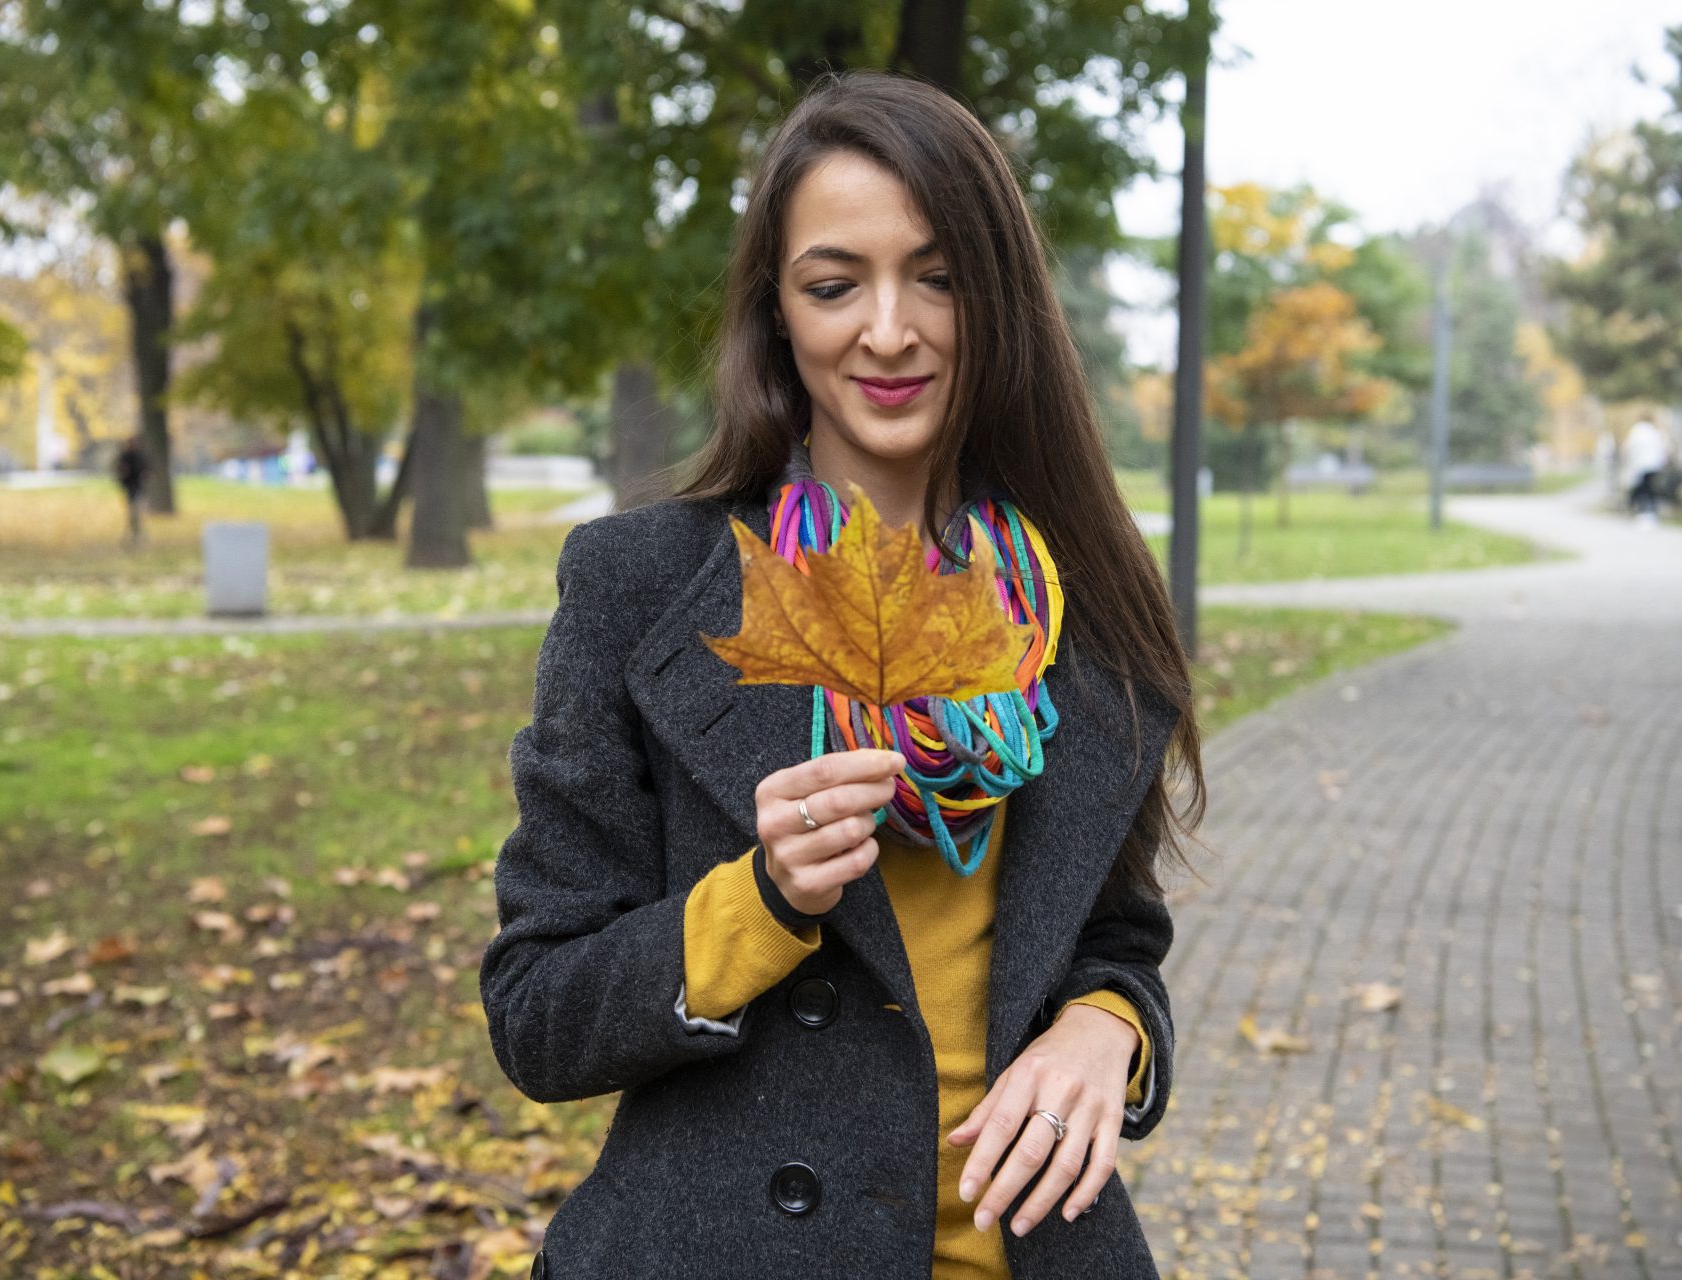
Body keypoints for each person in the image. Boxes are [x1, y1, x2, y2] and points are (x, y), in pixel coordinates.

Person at [480, 70, 1205, 1280]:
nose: (887, 329)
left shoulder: (1079, 606)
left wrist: (1103, 1032)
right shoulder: (639, 587)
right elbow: (537, 1013)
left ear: (1001, 298)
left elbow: (1116, 942)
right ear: (778, 309)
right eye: (833, 284)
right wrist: (757, 899)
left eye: (938, 275)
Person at [1621, 416, 1668, 523]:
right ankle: (1649, 511)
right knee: (1649, 488)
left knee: (1642, 489)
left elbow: (1630, 447)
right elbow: (1661, 447)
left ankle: (1642, 511)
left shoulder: (1637, 430)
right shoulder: (1654, 431)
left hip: (1641, 465)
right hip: (1654, 465)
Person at [112, 435, 147, 546]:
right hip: (129, 487)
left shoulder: (139, 456)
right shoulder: (125, 457)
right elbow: (118, 471)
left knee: (135, 510)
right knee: (133, 511)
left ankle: (136, 533)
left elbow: (147, 470)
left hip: (138, 487)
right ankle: (134, 533)